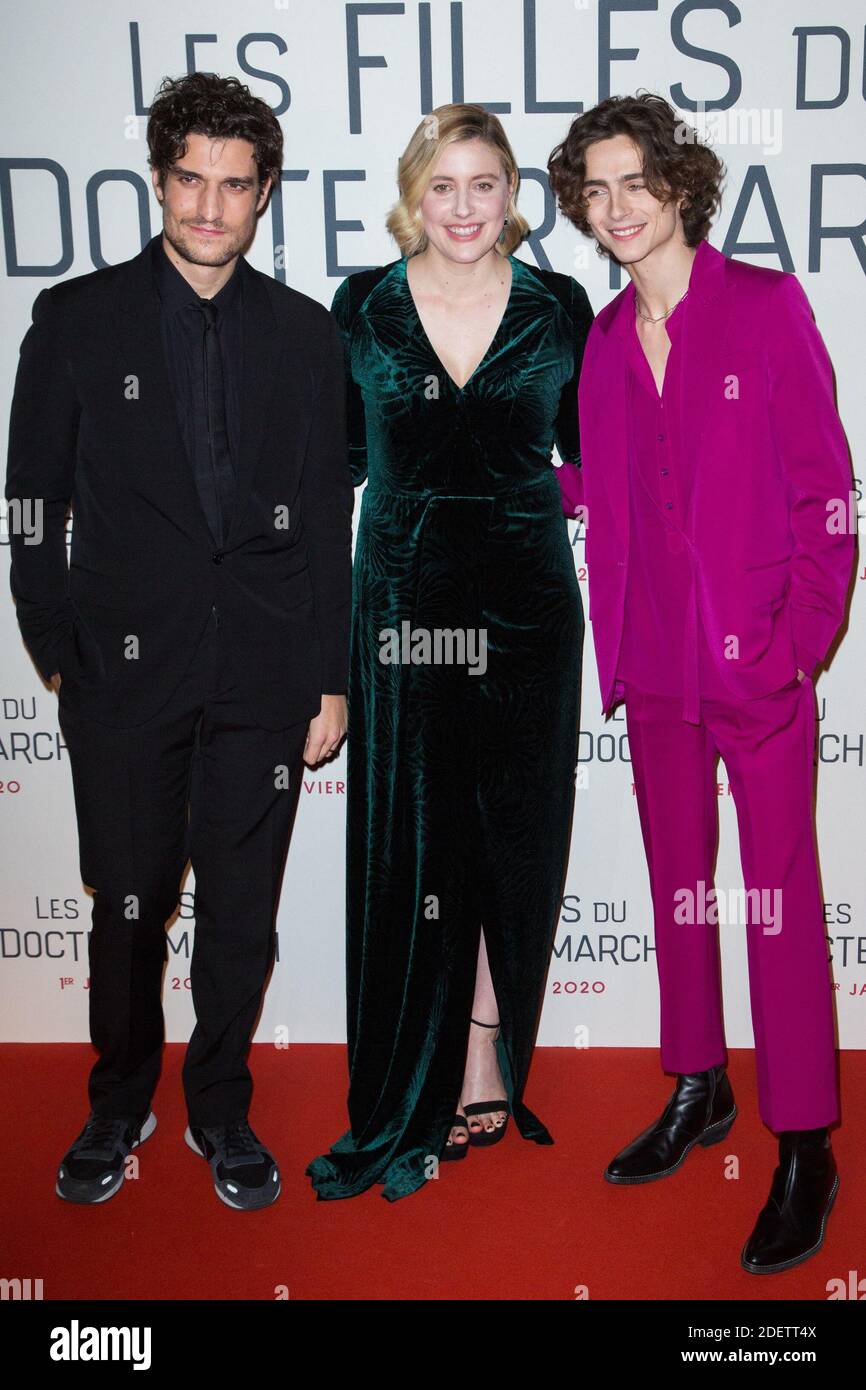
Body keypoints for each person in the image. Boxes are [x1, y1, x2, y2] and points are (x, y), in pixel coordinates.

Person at [5, 71, 352, 1211]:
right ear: (158, 179)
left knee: (240, 918)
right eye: (190, 179)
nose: (210, 206)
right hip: (121, 676)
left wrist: (331, 679)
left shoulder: (305, 337)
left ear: (264, 198)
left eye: (234, 186)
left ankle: (220, 1108)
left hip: (261, 678)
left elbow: (324, 519)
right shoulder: (76, 318)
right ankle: (118, 1102)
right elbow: (32, 501)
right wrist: (55, 643)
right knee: (126, 909)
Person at [547, 93, 854, 1272]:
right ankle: (697, 1084)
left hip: (756, 666)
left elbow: (825, 496)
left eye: (635, 182)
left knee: (774, 901)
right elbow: (603, 488)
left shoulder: (765, 308)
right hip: (653, 664)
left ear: (678, 185)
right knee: (678, 886)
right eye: (595, 190)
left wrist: (796, 642)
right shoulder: (605, 341)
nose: (616, 208)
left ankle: (804, 1142)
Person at [305, 103, 593, 1201]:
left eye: (484, 185)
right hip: (404, 607)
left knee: (504, 839)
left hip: (525, 609)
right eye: (443, 186)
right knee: (414, 849)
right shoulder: (361, 307)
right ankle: (402, 1086)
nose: (464, 207)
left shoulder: (558, 306)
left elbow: (597, 456)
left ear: (510, 193)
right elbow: (332, 465)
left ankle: (482, 1056)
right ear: (411, 194)